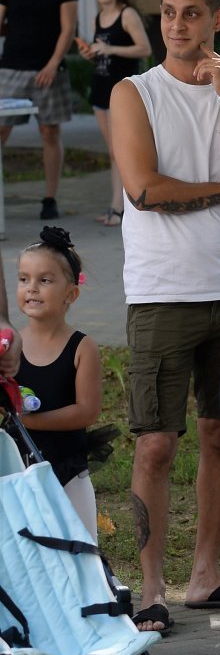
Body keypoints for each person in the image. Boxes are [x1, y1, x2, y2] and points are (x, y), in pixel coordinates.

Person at [113, 0, 220, 636]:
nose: (177, 26)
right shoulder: (135, 92)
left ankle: (203, 575)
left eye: (190, 13)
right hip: (160, 293)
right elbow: (144, 189)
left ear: (217, 21)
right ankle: (149, 587)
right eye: (168, 13)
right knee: (154, 444)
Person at [6, 228, 102, 533]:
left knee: (81, 547)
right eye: (24, 279)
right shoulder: (9, 346)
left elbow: (87, 411)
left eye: (44, 280)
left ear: (71, 294)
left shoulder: (82, 347)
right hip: (16, 469)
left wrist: (30, 421)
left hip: (68, 470)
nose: (32, 288)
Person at [0, 0, 79, 220]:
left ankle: (50, 198)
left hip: (50, 70)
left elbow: (68, 29)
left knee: (50, 131)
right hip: (11, 67)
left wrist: (51, 64)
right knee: (1, 130)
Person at [73, 0, 150, 226]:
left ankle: (122, 208)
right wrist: (92, 54)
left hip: (123, 91)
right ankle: (116, 206)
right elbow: (103, 53)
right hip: (101, 88)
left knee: (122, 151)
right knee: (113, 152)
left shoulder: (126, 14)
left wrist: (110, 48)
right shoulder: (99, 16)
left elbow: (144, 49)